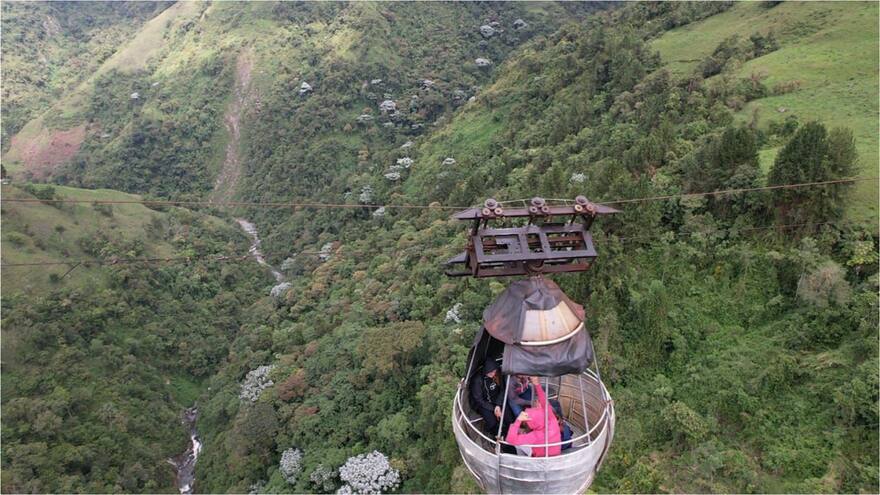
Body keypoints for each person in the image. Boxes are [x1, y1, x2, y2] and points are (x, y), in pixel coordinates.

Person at [504, 376, 561, 457]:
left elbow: (510, 440)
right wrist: (537, 385)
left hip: (540, 458)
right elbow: (544, 402)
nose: (537, 403)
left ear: (532, 425)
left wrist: (518, 421)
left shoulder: (534, 436)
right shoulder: (552, 420)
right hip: (554, 453)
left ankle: (523, 458)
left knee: (517, 443)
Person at [469, 358, 511, 436]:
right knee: (492, 422)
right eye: (490, 372)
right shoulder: (477, 380)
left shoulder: (498, 374)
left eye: (494, 371)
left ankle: (509, 432)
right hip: (484, 403)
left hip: (497, 399)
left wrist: (498, 405)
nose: (493, 374)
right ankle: (493, 433)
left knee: (508, 416)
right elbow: (479, 399)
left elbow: (502, 389)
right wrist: (493, 408)